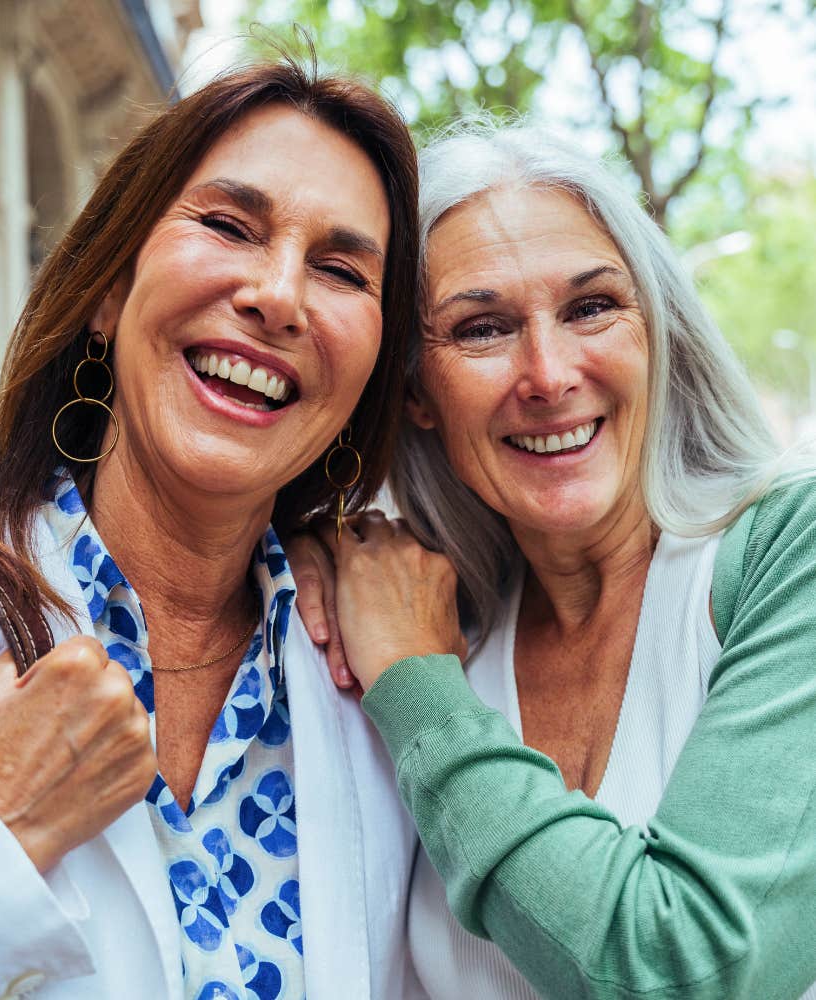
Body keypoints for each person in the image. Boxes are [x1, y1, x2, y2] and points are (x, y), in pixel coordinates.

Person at [293, 120, 816, 1000]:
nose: (548, 372)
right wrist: (303, 546)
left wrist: (421, 686)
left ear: (656, 331)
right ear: (417, 392)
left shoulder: (783, 550)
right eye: (483, 328)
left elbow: (697, 968)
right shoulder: (442, 612)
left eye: (590, 308)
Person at [0, 56, 425, 1000]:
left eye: (341, 270)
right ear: (107, 291)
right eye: (226, 225)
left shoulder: (387, 680)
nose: (280, 297)